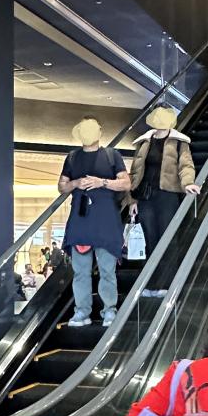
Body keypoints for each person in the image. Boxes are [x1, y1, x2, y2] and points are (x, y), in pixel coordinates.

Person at [58, 116, 131, 328]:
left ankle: (110, 310)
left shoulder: (112, 155)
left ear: (99, 132)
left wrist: (102, 182)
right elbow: (61, 186)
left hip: (105, 220)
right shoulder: (72, 158)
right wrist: (75, 183)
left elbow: (126, 183)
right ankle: (82, 311)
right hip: (81, 220)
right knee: (80, 271)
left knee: (107, 270)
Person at [127, 105, 200, 297]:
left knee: (168, 239)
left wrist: (188, 183)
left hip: (167, 196)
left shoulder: (179, 142)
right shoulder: (144, 142)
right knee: (149, 240)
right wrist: (132, 200)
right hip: (145, 197)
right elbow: (134, 172)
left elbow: (186, 165)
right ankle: (149, 284)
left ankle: (166, 284)